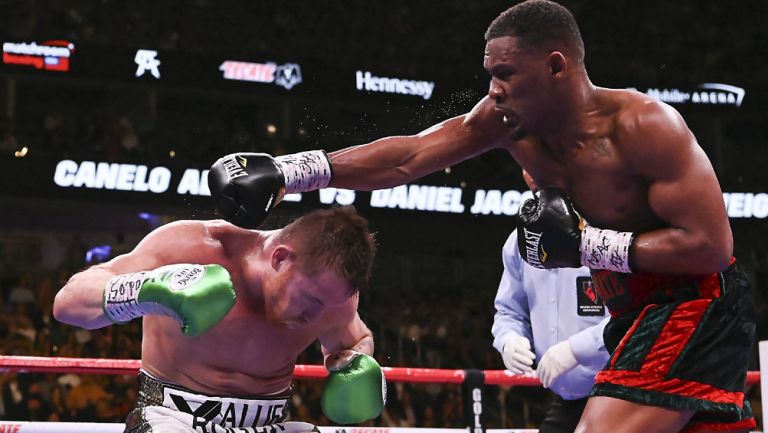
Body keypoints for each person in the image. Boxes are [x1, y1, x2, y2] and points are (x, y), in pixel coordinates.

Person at [208, 1, 756, 432]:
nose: (493, 89)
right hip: (631, 308)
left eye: (506, 74)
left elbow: (710, 246)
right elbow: (410, 155)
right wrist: (291, 171)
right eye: (490, 74)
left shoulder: (643, 127)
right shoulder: (506, 121)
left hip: (692, 300)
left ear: (557, 66)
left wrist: (588, 248)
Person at [53, 206, 385, 433]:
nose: (316, 315)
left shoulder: (333, 296)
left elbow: (356, 339)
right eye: (311, 299)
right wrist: (148, 288)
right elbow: (67, 303)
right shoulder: (192, 247)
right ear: (281, 259)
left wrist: (357, 360)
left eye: (328, 305)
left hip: (269, 424)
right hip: (172, 419)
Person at [493, 173, 610, 433]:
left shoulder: (607, 231)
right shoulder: (518, 242)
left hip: (622, 392)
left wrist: (578, 348)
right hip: (568, 399)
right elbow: (508, 311)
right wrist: (508, 339)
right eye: (525, 165)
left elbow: (637, 317)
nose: (533, 174)